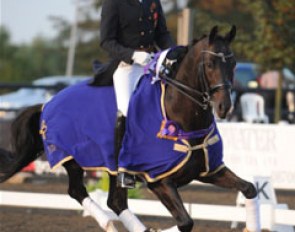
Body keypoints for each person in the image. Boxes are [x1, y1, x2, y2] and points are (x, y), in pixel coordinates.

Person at [100, 0, 175, 188]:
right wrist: (133, 54)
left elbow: (162, 34)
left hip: (151, 63)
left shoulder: (152, 1)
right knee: (127, 110)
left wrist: (173, 52)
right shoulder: (113, 3)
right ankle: (123, 168)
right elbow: (106, 42)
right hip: (127, 66)